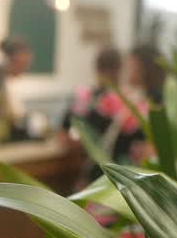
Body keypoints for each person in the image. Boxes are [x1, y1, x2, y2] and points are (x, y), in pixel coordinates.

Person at [61, 47, 150, 186]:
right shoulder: (131, 102)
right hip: (122, 179)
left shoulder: (83, 97)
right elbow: (141, 146)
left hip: (91, 176)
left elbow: (64, 134)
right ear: (120, 69)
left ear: (96, 68)